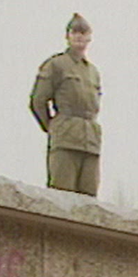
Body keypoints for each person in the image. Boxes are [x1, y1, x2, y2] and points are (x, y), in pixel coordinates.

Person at [30, 13, 102, 196]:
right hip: (65, 137)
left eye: (83, 33)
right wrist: (53, 126)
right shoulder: (56, 65)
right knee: (62, 197)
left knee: (89, 200)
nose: (79, 37)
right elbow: (38, 101)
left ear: (89, 38)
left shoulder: (92, 71)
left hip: (90, 140)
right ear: (67, 36)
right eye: (75, 32)